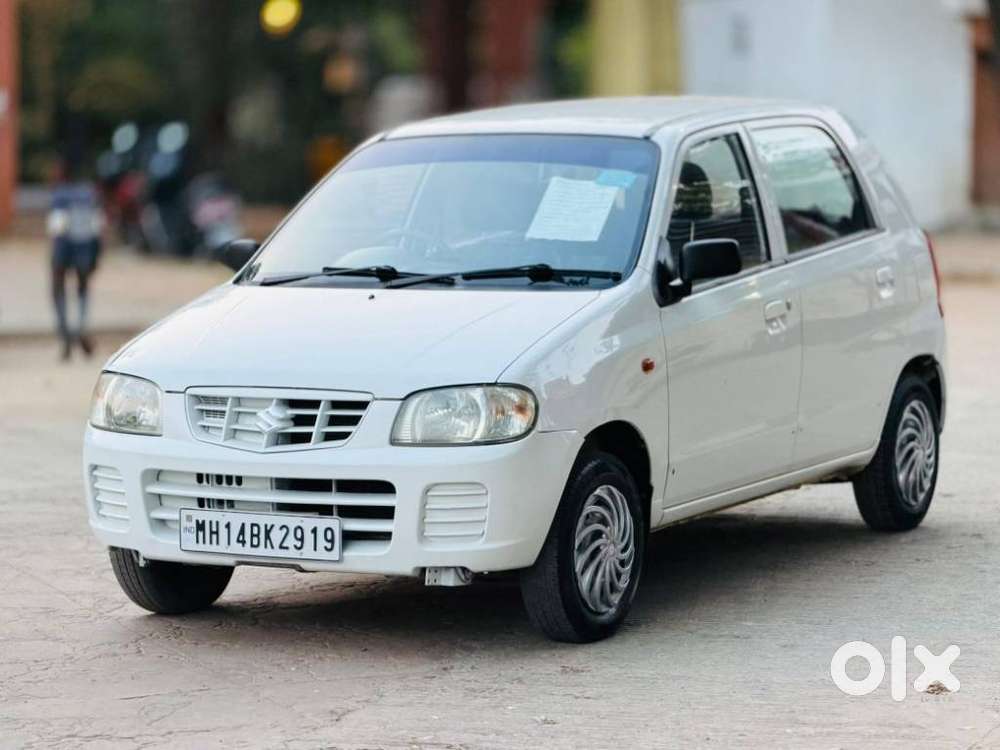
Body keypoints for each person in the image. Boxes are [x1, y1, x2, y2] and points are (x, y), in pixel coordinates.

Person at [48, 160, 104, 360]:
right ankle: (81, 326)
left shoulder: (60, 195)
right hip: (86, 247)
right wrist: (97, 254)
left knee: (57, 287)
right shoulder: (89, 193)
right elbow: (98, 225)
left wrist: (55, 254)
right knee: (82, 287)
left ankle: (65, 333)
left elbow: (58, 227)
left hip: (64, 246)